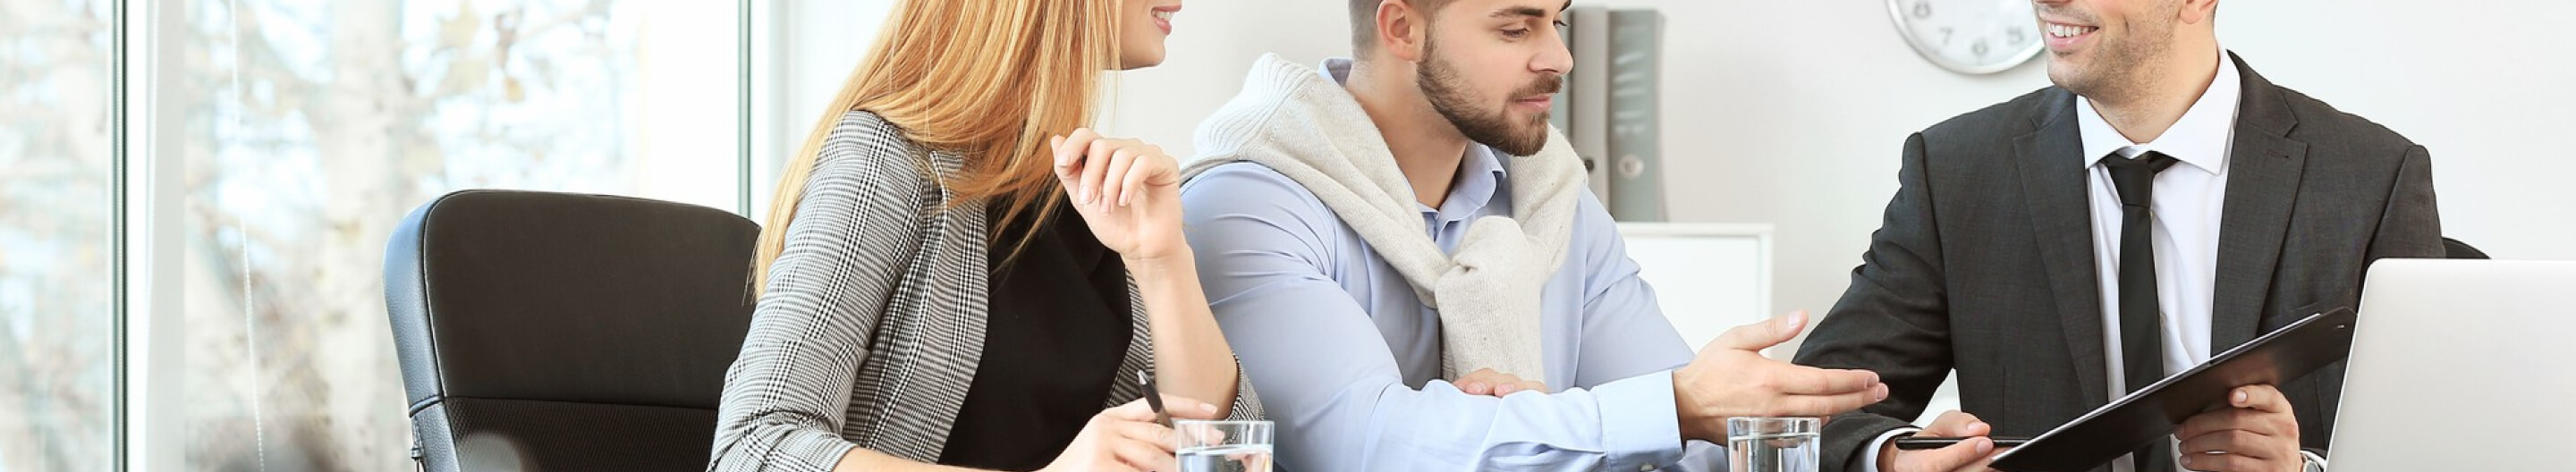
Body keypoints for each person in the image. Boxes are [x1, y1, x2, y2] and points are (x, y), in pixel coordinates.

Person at [1175, 0, 1888, 469]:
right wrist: (1669, 407)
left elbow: (1695, 446)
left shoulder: (1553, 203)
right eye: (1516, 28)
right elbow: (1363, 444)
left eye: (1558, 22)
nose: (1559, 58)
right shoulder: (1245, 205)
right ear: (1402, 29)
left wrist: (1879, 456)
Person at [1791, 0, 2442, 471]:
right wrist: (1895, 458)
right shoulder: (1956, 172)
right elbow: (1807, 413)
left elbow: (2437, 441)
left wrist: (2301, 470)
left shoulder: (2371, 176)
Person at [707, 1, 1267, 471]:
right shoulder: (888, 160)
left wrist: (1162, 261)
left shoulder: (1084, 192)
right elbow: (754, 448)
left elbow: (1232, 461)